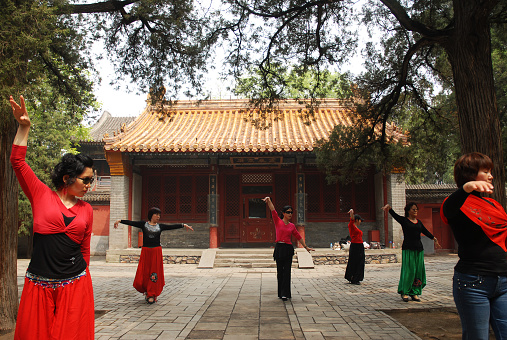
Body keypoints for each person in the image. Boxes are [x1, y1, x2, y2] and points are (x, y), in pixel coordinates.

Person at [9, 95, 95, 339]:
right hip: (39, 283)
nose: (90, 185)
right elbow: (17, 161)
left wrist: (82, 279)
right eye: (86, 179)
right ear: (68, 178)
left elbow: (85, 250)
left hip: (75, 284)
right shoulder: (40, 195)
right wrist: (24, 126)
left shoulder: (87, 210)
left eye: (92, 180)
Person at [441, 152, 507, 339]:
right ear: (470, 175)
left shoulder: (495, 205)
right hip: (473, 283)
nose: (491, 175)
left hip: (503, 280)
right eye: (486, 171)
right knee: (477, 336)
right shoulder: (456, 204)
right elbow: (449, 208)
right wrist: (465, 188)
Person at [114, 208, 194, 304]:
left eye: (159, 215)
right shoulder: (143, 225)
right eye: (156, 214)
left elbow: (171, 226)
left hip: (156, 251)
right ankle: (147, 290)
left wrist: (183, 225)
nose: (158, 217)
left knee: (154, 272)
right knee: (145, 271)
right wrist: (120, 221)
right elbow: (132, 223)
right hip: (146, 251)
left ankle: (152, 294)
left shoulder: (160, 226)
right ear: (151, 215)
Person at [381, 202, 440, 302]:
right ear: (408, 211)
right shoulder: (404, 221)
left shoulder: (419, 222)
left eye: (416, 209)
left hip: (419, 249)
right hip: (408, 249)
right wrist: (389, 209)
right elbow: (395, 216)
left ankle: (415, 292)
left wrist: (434, 238)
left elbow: (425, 231)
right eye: (413, 209)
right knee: (409, 271)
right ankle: (405, 291)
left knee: (418, 271)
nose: (415, 211)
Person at [262, 197, 314, 301]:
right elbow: (273, 210)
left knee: (287, 272)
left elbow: (298, 236)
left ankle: (286, 293)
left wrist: (306, 247)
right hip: (279, 248)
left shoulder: (291, 226)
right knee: (280, 272)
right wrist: (269, 201)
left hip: (288, 249)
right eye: (288, 212)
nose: (290, 214)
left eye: (291, 212)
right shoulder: (278, 221)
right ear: (283, 213)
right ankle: (281, 293)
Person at [344, 209, 365, 285]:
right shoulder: (351, 226)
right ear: (357, 220)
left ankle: (357, 277)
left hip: (360, 245)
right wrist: (351, 213)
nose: (360, 222)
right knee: (354, 261)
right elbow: (351, 219)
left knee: (360, 262)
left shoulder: (356, 227)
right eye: (360, 220)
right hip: (355, 246)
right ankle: (353, 277)